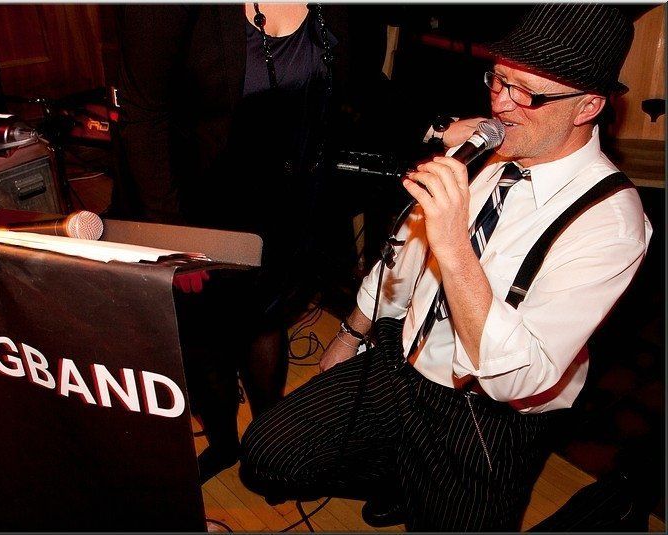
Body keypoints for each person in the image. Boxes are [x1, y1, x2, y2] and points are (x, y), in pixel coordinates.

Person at [239, 4, 653, 531]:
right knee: (267, 456)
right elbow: (406, 253)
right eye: (498, 80)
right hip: (402, 359)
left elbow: (517, 377)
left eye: (527, 93)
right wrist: (351, 333)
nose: (500, 104)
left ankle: (432, 486)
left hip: (487, 414)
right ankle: (404, 474)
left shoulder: (611, 222)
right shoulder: (488, 148)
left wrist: (455, 244)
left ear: (588, 106)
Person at [111, 4, 385, 482]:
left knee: (266, 319)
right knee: (204, 337)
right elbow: (143, 112)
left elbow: (362, 85)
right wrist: (176, 238)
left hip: (287, 199)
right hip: (195, 204)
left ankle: (267, 443)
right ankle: (223, 444)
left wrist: (436, 126)